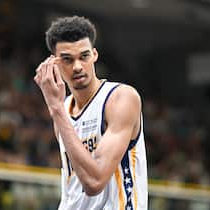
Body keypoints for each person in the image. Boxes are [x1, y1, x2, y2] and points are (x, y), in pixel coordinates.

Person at [34, 15, 148, 210]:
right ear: (55, 63)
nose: (77, 66)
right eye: (68, 59)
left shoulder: (121, 98)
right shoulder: (63, 109)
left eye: (84, 56)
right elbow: (73, 187)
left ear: (94, 55)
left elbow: (94, 182)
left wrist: (56, 108)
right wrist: (58, 109)